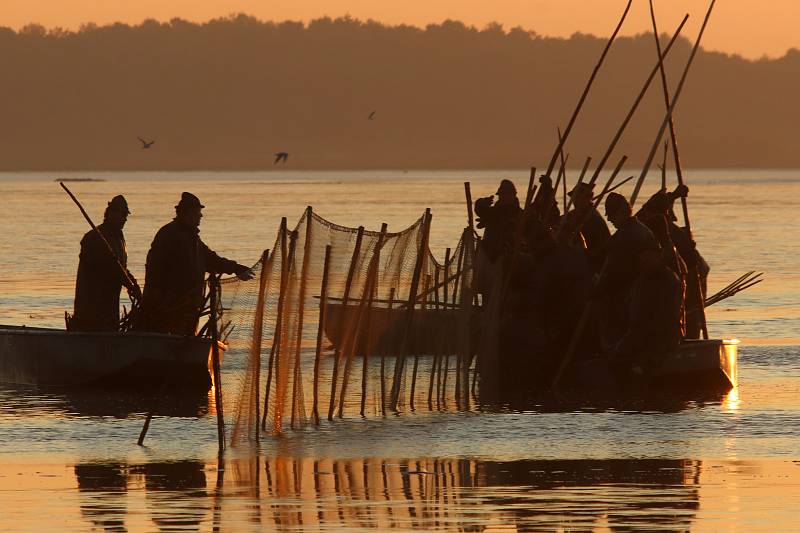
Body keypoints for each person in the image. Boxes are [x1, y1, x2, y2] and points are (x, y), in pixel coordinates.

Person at [138, 192, 254, 335]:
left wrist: (236, 268)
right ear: (187, 213)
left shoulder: (192, 238)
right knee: (169, 340)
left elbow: (211, 260)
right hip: (169, 309)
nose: (200, 216)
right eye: (198, 212)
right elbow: (154, 269)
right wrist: (161, 299)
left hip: (188, 309)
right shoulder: (169, 234)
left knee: (183, 342)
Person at [612, 241, 683, 379]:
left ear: (659, 257)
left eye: (649, 258)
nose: (645, 262)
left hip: (662, 335)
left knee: (644, 360)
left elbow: (666, 315)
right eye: (643, 258)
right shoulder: (641, 279)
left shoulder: (669, 280)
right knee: (617, 357)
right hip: (639, 333)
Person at [597, 192, 658, 345]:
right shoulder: (634, 231)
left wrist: (600, 289)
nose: (609, 218)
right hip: (639, 296)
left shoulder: (628, 236)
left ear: (622, 212)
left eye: (611, 214)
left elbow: (620, 273)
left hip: (630, 298)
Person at [72, 195, 139, 332]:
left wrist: (133, 284)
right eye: (122, 214)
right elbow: (108, 269)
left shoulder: (119, 237)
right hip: (92, 307)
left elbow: (121, 267)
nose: (125, 218)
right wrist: (126, 282)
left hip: (110, 306)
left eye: (126, 215)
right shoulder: (94, 238)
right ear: (111, 213)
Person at [562, 181, 610, 272]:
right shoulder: (578, 213)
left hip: (595, 263)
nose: (575, 201)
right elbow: (559, 221)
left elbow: (600, 248)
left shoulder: (592, 218)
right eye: (574, 198)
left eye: (578, 198)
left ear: (587, 198)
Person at [474, 179, 522, 263]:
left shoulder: (520, 214)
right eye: (501, 194)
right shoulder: (495, 211)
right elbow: (480, 210)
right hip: (489, 256)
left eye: (505, 194)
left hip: (509, 259)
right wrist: (483, 202)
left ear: (513, 195)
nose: (502, 197)